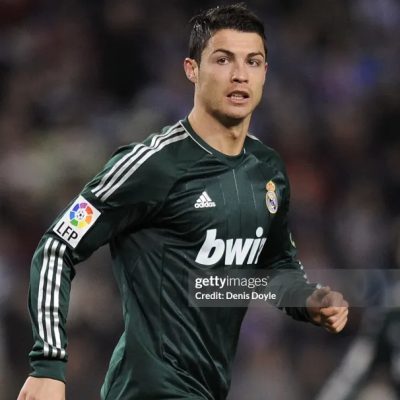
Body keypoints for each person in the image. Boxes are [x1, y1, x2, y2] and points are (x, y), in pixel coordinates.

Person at [18, 4, 349, 400]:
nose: (240, 74)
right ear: (192, 69)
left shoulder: (267, 170)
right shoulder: (152, 165)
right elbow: (58, 244)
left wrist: (308, 299)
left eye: (253, 61)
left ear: (265, 72)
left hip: (209, 390)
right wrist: (48, 364)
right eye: (223, 59)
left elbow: (275, 266)